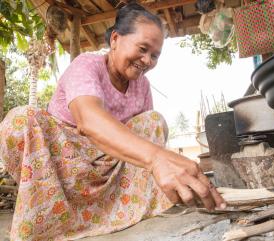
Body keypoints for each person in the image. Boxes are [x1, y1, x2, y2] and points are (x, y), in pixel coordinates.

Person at [0, 3, 225, 240]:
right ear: (115, 39)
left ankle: (116, 212)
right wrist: (158, 158)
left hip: (108, 172)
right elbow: (88, 121)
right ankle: (55, 220)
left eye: (155, 55)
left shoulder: (142, 86)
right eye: (142, 48)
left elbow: (141, 144)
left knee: (153, 122)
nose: (147, 60)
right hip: (64, 172)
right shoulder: (86, 65)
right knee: (20, 119)